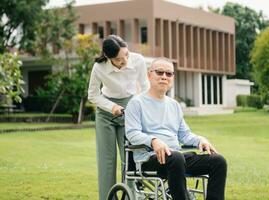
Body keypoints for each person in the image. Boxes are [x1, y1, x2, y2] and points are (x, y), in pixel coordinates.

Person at [125, 57, 227, 200]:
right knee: (176, 157)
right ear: (149, 75)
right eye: (159, 72)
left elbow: (184, 135)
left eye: (169, 74)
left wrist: (200, 140)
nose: (164, 77)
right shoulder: (136, 103)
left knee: (218, 161)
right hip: (149, 159)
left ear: (172, 78)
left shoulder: (174, 105)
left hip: (176, 158)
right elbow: (132, 133)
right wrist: (153, 141)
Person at [88, 35, 149, 200]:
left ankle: (132, 197)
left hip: (129, 111)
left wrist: (139, 107)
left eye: (126, 55)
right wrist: (111, 106)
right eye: (119, 59)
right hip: (105, 113)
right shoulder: (99, 67)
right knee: (107, 161)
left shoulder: (138, 61)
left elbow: (145, 87)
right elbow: (93, 95)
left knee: (130, 159)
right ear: (108, 57)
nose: (125, 61)